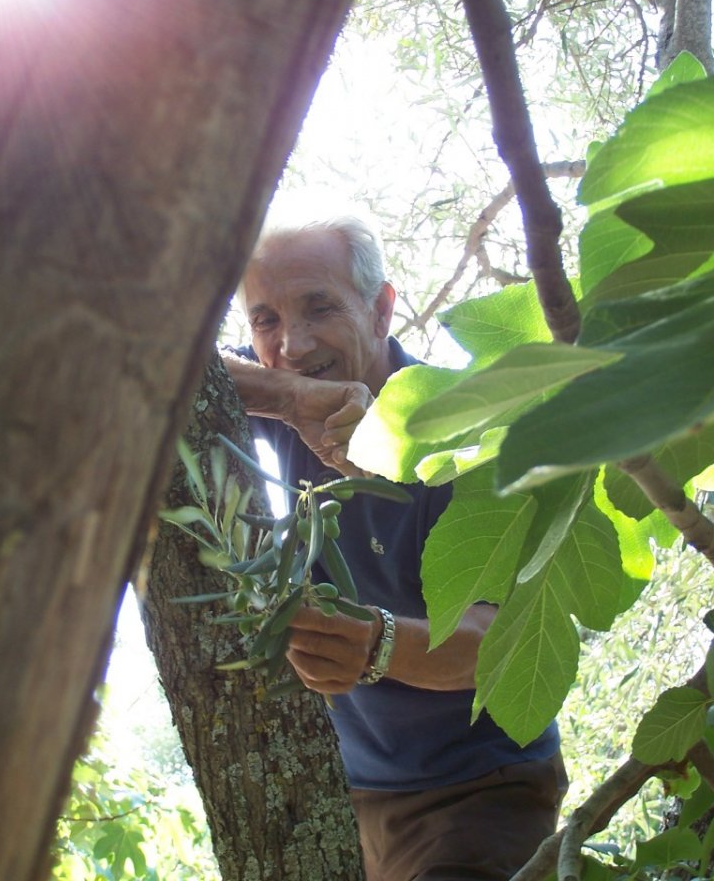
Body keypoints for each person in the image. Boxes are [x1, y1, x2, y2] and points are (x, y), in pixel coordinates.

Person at [223, 216, 567, 881]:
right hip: (350, 797)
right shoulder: (286, 393)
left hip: (481, 791)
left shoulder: (463, 437)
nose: (291, 344)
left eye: (319, 307)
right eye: (265, 320)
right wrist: (291, 397)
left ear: (382, 308)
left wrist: (379, 643)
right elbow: (161, 360)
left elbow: (506, 640)